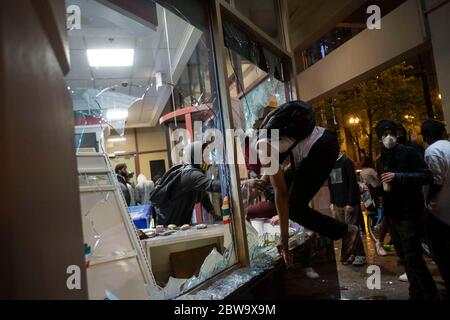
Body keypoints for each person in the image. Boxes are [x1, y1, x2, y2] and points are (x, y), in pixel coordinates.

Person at [256, 100, 359, 268]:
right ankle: (342, 230)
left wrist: (284, 239)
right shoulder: (269, 137)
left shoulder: (262, 147)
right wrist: (263, 181)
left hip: (321, 149)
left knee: (293, 206)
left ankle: (346, 231)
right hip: (322, 141)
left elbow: (281, 193)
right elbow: (273, 169)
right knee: (274, 193)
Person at [375, 119, 438, 300]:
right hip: (392, 214)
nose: (389, 137)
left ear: (397, 134)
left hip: (409, 212)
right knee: (404, 258)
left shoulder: (408, 153)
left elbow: (426, 175)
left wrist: (399, 177)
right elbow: (384, 187)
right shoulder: (381, 158)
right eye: (385, 134)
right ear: (380, 138)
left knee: (414, 258)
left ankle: (430, 294)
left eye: (392, 133)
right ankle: (415, 292)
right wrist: (374, 187)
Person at [152, 141, 222, 226]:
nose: (208, 161)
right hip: (169, 226)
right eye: (205, 156)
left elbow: (203, 196)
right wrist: (234, 185)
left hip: (178, 224)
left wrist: (214, 215)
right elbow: (211, 185)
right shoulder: (190, 174)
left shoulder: (192, 171)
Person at [421, 119, 450, 296]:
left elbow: (435, 182)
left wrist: (426, 201)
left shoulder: (432, 152)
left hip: (440, 211)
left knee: (442, 251)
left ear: (425, 137)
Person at [328, 151, 367, 266]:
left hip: (349, 204)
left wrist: (350, 203)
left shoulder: (346, 162)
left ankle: (361, 255)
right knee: (345, 231)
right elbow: (331, 185)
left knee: (353, 230)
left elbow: (352, 184)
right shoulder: (331, 163)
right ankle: (352, 254)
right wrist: (332, 202)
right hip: (338, 204)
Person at [360, 157, 388, 256]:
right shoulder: (371, 170)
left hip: (370, 193)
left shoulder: (362, 172)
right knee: (384, 210)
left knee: (378, 209)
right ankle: (380, 230)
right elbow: (378, 179)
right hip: (378, 191)